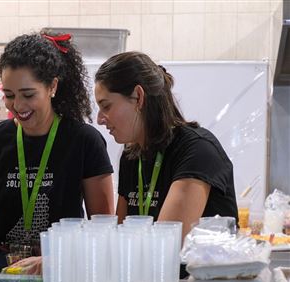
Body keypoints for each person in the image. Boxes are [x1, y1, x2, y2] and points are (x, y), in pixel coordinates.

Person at [0, 32, 115, 274]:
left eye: (28, 94)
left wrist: (55, 262)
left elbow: (102, 226)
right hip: (1, 268)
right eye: (9, 95)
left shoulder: (84, 141)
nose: (18, 106)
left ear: (52, 86)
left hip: (61, 266)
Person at [94, 51, 238, 240]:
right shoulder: (131, 155)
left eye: (106, 106)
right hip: (148, 269)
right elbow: (121, 240)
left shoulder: (196, 150)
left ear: (138, 97)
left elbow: (167, 245)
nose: (99, 119)